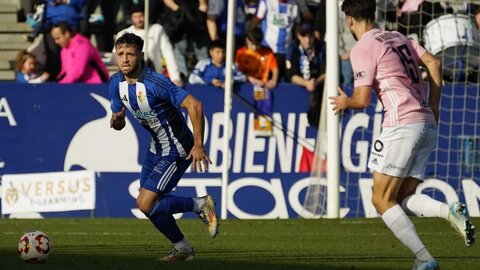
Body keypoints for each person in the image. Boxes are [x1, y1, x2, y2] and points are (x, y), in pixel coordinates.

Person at [329, 1, 476, 269]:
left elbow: (361, 100)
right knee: (402, 200)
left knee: (380, 199)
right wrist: (433, 105)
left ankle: (425, 260)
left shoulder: (362, 47)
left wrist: (344, 102)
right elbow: (434, 62)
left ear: (350, 20)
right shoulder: (398, 36)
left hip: (401, 125)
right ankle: (449, 211)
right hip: (426, 123)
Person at [109, 32, 219, 261]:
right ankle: (183, 248)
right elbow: (117, 120)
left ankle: (200, 204)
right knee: (149, 207)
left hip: (178, 147)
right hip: (155, 147)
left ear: (140, 55)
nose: (125, 59)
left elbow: (195, 106)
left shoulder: (155, 83)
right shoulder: (115, 83)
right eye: (120, 54)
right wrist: (117, 121)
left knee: (145, 203)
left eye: (130, 54)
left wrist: (199, 144)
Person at [114, 5, 184, 87]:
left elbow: (168, 54)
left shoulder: (157, 30)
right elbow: (117, 57)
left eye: (141, 16)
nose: (138, 20)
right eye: (135, 17)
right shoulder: (123, 33)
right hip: (130, 80)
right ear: (131, 18)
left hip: (154, 79)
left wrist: (175, 77)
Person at [235, 27, 279, 136]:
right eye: (252, 44)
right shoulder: (241, 53)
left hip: (262, 87)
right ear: (247, 40)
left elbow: (275, 68)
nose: (254, 47)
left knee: (264, 106)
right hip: (246, 87)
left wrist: (273, 80)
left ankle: (262, 129)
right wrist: (249, 79)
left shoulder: (267, 52)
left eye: (257, 44)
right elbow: (236, 72)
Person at [286, 23, 325, 127]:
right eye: (304, 36)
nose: (307, 40)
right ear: (299, 36)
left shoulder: (322, 47)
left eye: (310, 36)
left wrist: (316, 82)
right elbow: (291, 75)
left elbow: (327, 71)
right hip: (298, 90)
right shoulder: (293, 49)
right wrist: (306, 83)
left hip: (318, 87)